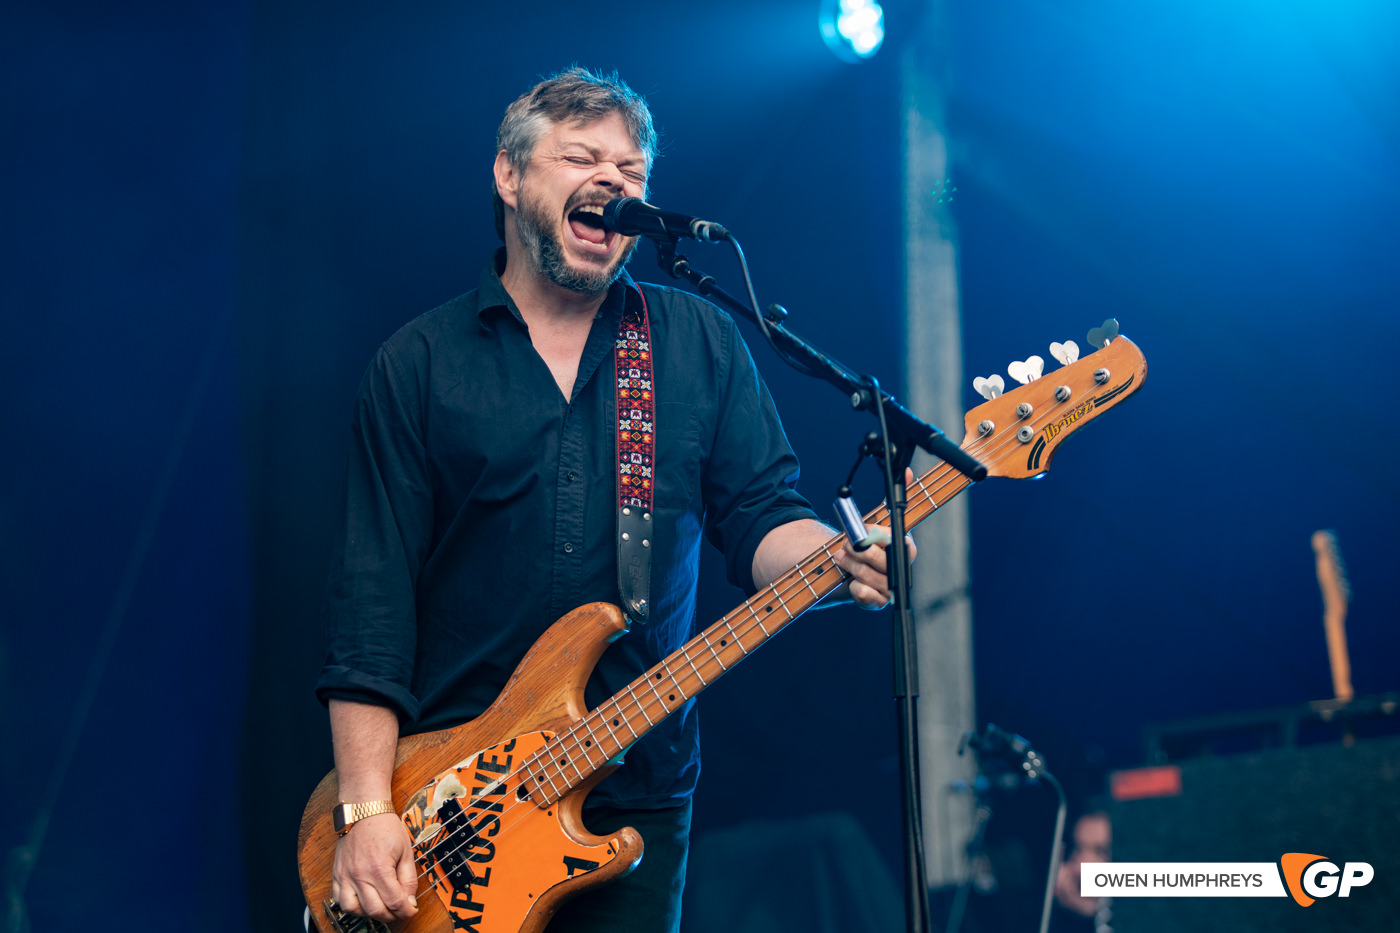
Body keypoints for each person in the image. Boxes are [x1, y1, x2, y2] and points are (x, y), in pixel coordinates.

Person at [315, 66, 911, 933]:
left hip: (635, 789)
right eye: (582, 156)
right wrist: (365, 812)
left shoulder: (695, 341)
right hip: (452, 811)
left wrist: (836, 552)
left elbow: (759, 515)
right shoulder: (419, 365)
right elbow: (371, 609)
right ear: (510, 177)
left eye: (632, 172)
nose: (614, 183)